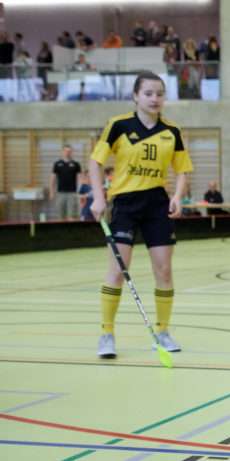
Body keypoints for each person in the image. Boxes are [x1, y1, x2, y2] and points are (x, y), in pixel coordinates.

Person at [89, 71, 192, 359]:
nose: (155, 98)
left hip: (157, 205)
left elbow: (182, 170)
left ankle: (162, 331)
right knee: (117, 272)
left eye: (159, 93)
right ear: (135, 96)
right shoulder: (119, 125)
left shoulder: (172, 131)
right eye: (148, 93)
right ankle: (106, 334)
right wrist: (99, 197)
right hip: (125, 204)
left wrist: (177, 195)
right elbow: (96, 162)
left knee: (164, 271)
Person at [49, 144, 82, 220]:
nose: (68, 153)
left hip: (72, 193)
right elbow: (52, 179)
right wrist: (51, 192)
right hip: (60, 192)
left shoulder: (76, 164)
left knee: (72, 215)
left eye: (70, 151)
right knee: (61, 215)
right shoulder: (57, 164)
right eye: (66, 151)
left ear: (72, 152)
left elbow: (79, 178)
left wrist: (80, 191)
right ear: (62, 151)